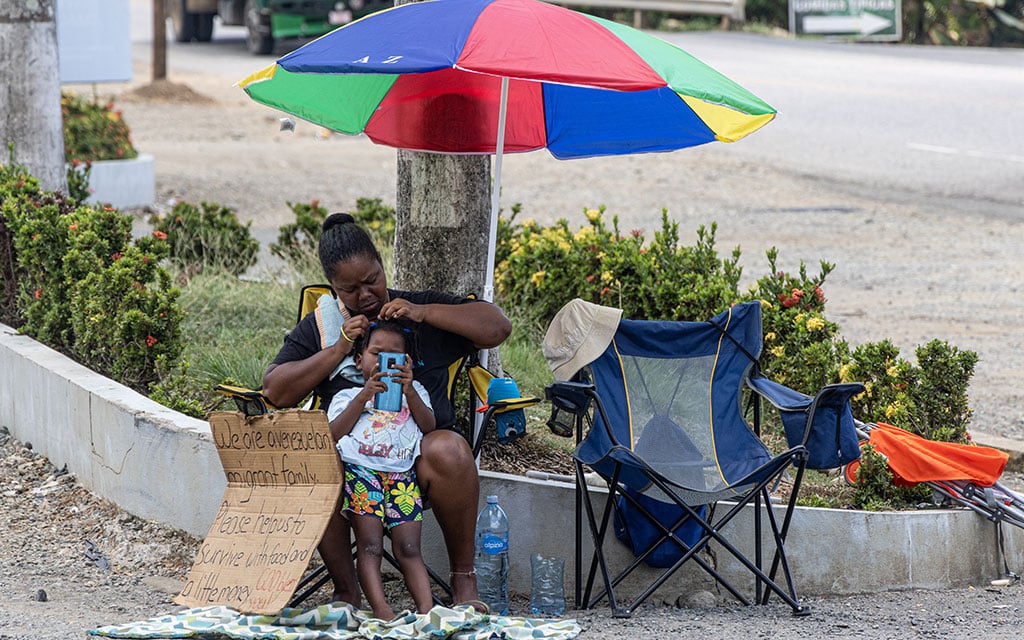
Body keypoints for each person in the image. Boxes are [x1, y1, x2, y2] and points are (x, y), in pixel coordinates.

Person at [262, 212, 511, 611]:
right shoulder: (328, 326)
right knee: (314, 458)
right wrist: (339, 348)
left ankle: (464, 581)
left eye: (372, 279)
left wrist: (422, 312)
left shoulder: (414, 310)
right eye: (350, 289)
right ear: (333, 289)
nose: (365, 295)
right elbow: (275, 391)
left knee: (451, 448)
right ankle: (346, 589)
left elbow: (497, 327)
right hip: (353, 467)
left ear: (382, 263)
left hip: (416, 461)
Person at [327, 320, 434, 620]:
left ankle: (427, 611)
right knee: (370, 546)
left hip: (402, 478)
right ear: (360, 360)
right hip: (362, 475)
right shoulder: (347, 397)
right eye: (376, 354)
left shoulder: (416, 393)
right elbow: (333, 433)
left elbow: (429, 426)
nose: (384, 361)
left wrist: (409, 390)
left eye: (394, 356)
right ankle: (381, 609)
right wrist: (364, 397)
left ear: (407, 363)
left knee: (410, 547)